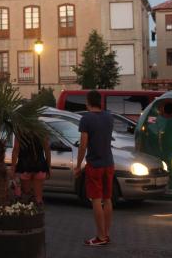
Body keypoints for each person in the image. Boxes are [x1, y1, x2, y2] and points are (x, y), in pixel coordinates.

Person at [74, 90, 115, 246]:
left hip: (95, 165)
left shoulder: (86, 119)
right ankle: (107, 234)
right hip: (109, 163)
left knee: (96, 199)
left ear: (88, 102)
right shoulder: (109, 117)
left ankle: (100, 236)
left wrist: (78, 165)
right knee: (108, 198)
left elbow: (83, 145)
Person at [11, 132, 51, 204]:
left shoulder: (21, 132)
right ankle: (38, 208)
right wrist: (48, 167)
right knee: (38, 198)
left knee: (26, 196)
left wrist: (13, 168)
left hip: (24, 166)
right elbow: (47, 149)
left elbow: (16, 150)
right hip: (40, 166)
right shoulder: (42, 131)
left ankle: (28, 208)